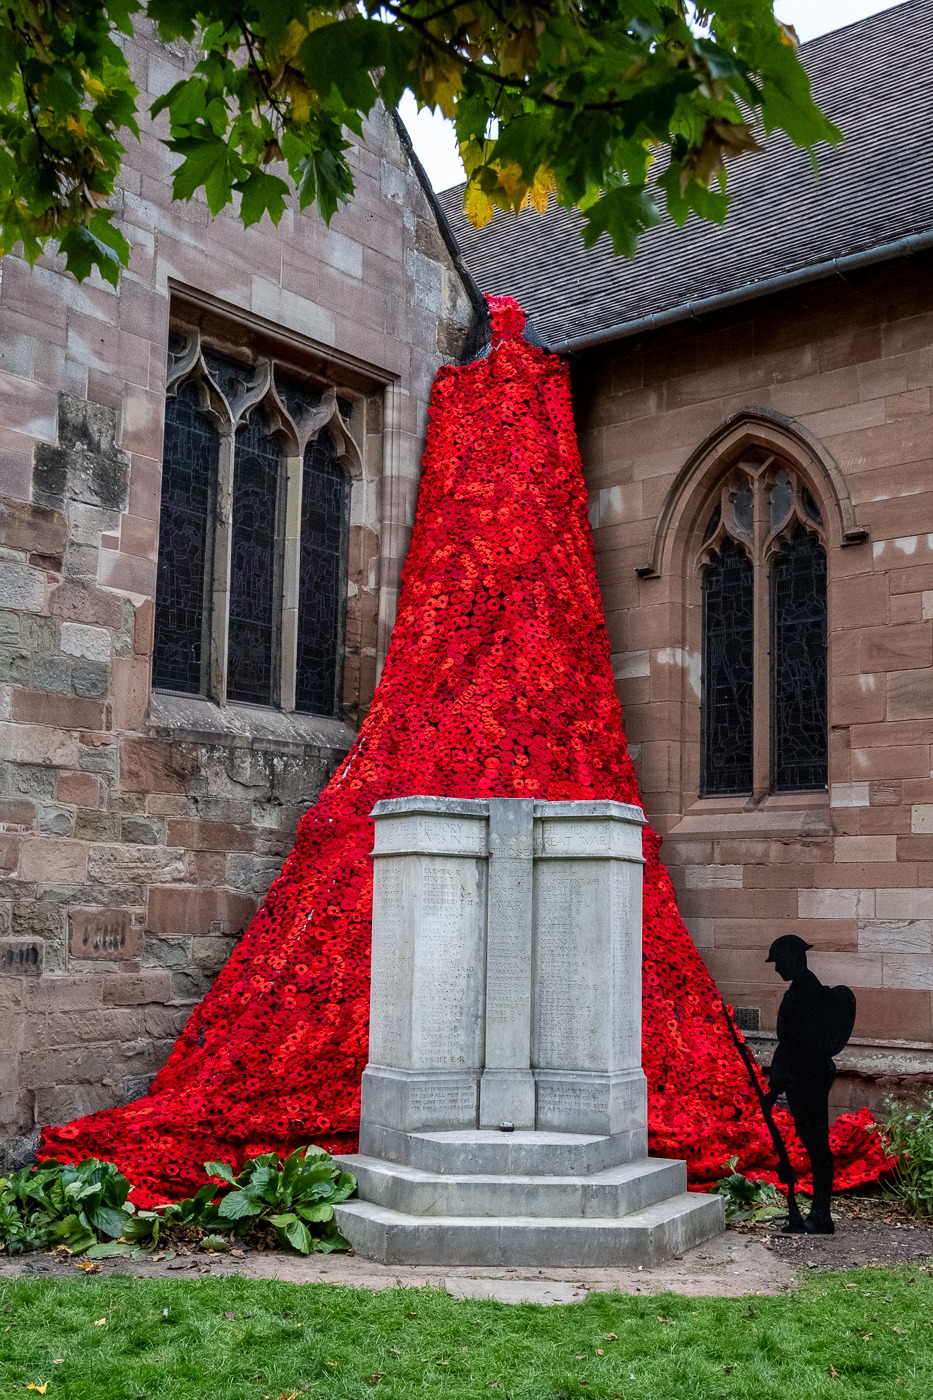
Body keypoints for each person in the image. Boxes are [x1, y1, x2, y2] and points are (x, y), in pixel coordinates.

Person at [763, 934, 854, 1236]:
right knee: (815, 1145)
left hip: (806, 1077)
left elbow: (792, 1045)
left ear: (793, 958)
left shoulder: (804, 994)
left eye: (778, 962)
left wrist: (774, 1088)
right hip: (807, 1075)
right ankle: (818, 1213)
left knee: (817, 1146)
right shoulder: (804, 990)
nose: (776, 969)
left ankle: (820, 1215)